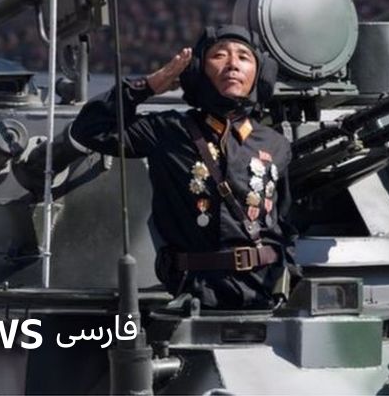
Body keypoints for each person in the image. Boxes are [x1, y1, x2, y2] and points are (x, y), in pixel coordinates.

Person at [64, 24, 297, 310]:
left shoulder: (275, 144)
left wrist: (287, 279)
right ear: (198, 69)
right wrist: (149, 86)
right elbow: (89, 129)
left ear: (260, 74)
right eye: (219, 55)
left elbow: (285, 224)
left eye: (244, 57)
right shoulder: (169, 131)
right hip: (197, 294)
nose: (233, 64)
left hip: (265, 295)